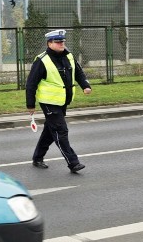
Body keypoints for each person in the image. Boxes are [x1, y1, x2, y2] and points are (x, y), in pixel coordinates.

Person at [25, 29, 92, 172]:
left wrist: (85, 85)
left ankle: (37, 157)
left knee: (51, 130)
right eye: (58, 42)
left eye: (63, 41)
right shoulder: (42, 60)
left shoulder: (69, 56)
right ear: (49, 43)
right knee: (61, 131)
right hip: (49, 102)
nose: (62, 44)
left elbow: (78, 72)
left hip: (62, 101)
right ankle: (73, 163)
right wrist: (30, 104)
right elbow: (31, 83)